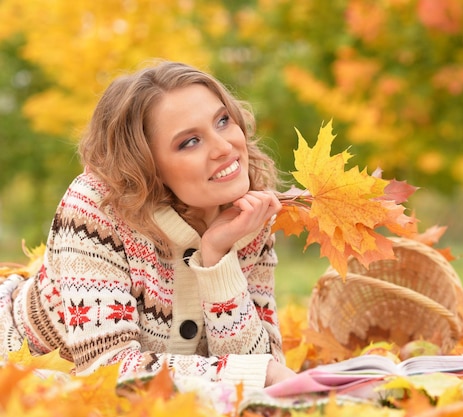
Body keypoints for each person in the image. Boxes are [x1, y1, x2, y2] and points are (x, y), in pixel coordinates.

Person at [0, 60, 296, 389]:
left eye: (223, 121)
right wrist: (251, 374)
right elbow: (105, 369)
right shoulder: (96, 208)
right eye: (190, 142)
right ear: (147, 166)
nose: (225, 147)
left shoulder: (249, 213)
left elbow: (266, 373)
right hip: (20, 369)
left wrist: (217, 258)